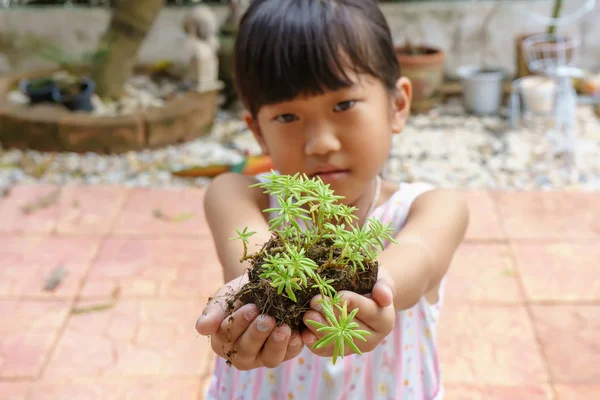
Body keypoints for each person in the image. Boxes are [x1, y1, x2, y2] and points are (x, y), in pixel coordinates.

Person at [195, 0, 469, 398]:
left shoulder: (433, 207)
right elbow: (252, 254)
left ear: (397, 105)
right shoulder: (239, 194)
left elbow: (418, 258)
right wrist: (247, 300)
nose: (321, 143)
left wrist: (377, 286)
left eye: (344, 105)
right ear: (258, 132)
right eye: (287, 117)